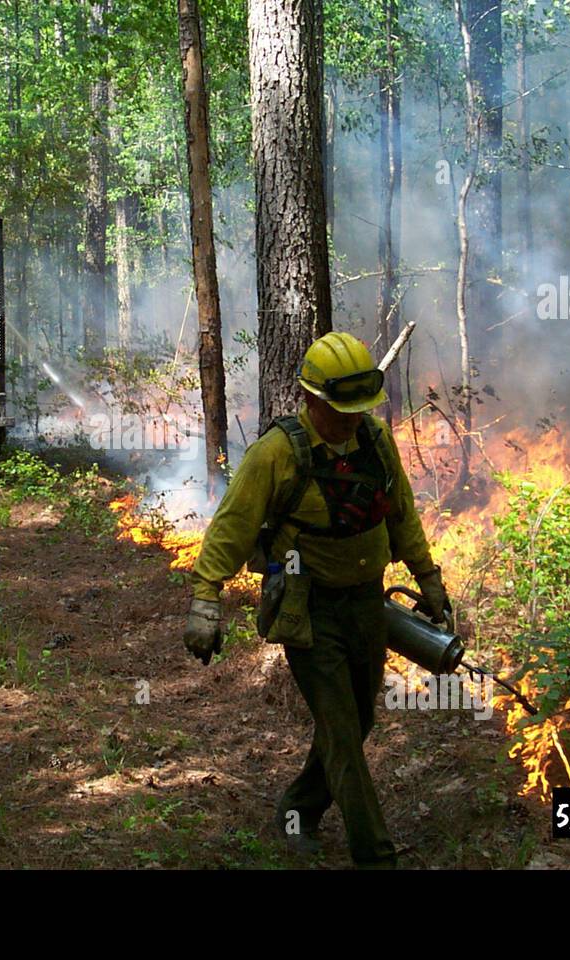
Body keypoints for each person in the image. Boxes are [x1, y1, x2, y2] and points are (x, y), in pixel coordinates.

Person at [181, 331, 449, 867]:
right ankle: (376, 856)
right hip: (308, 610)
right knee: (343, 734)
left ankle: (298, 807)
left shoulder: (374, 441)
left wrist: (430, 579)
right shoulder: (277, 453)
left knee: (358, 721)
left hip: (369, 606)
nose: (353, 419)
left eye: (359, 408)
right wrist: (205, 601)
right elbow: (230, 528)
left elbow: (401, 514)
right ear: (310, 399)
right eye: (341, 409)